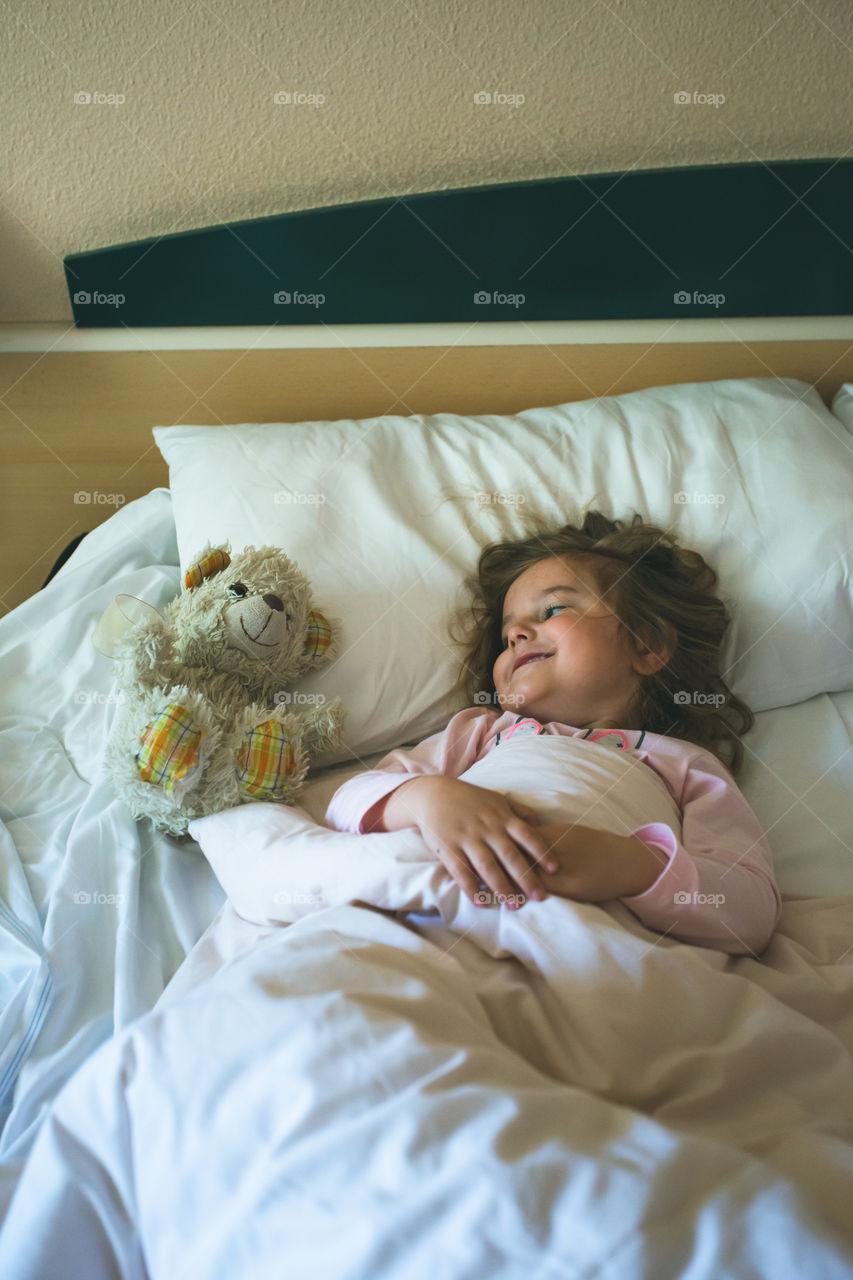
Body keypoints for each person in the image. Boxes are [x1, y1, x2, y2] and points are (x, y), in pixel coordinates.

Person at [325, 510, 782, 956]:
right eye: (507, 637)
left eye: (553, 609)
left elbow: (751, 910)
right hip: (436, 912)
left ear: (646, 645)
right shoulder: (483, 733)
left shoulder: (684, 765)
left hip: (585, 945)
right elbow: (346, 805)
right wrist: (427, 799)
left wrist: (633, 866)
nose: (519, 634)